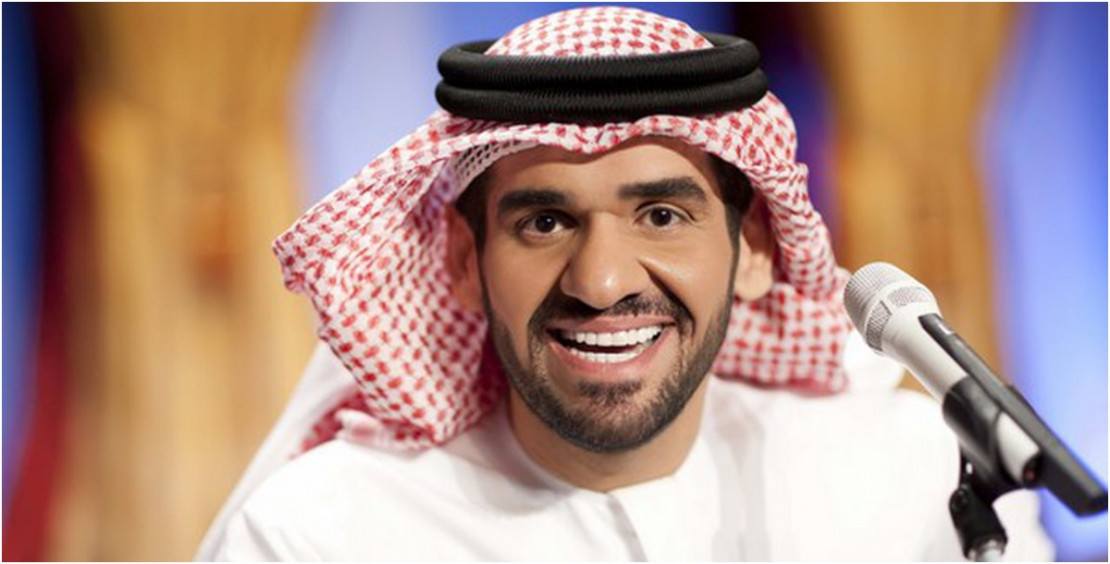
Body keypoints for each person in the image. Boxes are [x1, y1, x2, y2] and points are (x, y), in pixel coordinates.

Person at [197, 7, 1053, 561]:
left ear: (757, 246)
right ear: (462, 262)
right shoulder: (319, 534)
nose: (602, 283)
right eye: (545, 222)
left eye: (661, 215)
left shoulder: (920, 477)